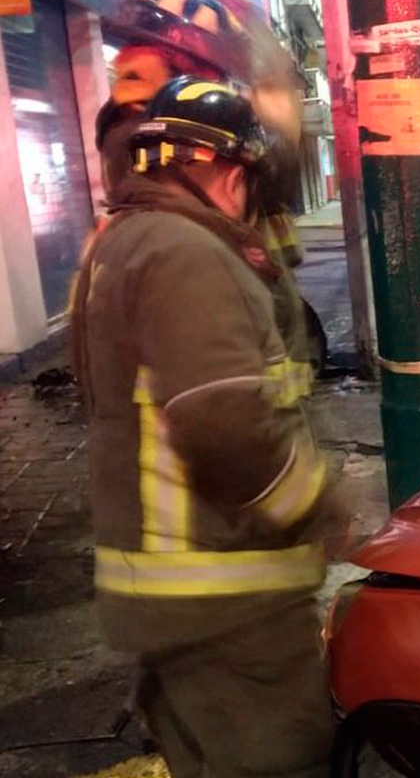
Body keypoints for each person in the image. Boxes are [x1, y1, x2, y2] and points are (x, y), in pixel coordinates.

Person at [70, 77, 346, 778]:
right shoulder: (185, 253)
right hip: (229, 601)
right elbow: (225, 423)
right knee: (284, 762)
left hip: (174, 598)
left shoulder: (121, 242)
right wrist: (318, 507)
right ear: (229, 175)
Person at [99, 0, 315, 402]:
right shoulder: (167, 139)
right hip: (233, 344)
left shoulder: (139, 126)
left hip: (252, 303)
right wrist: (279, 127)